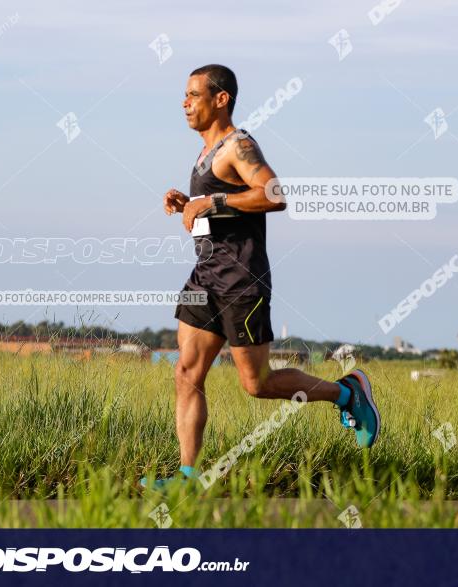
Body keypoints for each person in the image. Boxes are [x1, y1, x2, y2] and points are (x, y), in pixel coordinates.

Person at [143, 65, 379, 489]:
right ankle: (186, 476)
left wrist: (209, 201)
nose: (185, 103)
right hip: (206, 277)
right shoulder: (204, 155)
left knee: (257, 383)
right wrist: (188, 204)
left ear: (221, 99)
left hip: (240, 281)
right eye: (184, 95)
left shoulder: (238, 145)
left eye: (194, 95)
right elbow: (227, 208)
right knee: (186, 373)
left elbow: (273, 194)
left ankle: (348, 392)